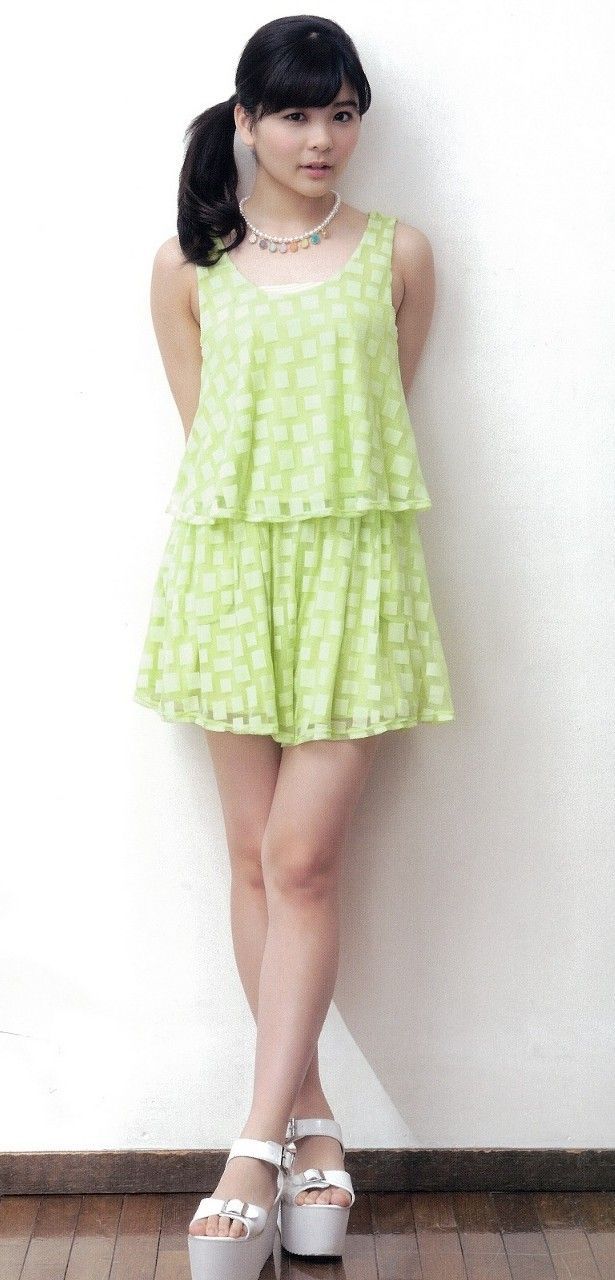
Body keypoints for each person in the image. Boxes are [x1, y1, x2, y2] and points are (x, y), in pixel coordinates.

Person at [133, 14, 455, 1280]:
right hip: (230, 573)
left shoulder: (399, 255)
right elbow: (209, 435)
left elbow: (379, 414)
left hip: (352, 572)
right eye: (296, 113)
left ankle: (251, 1153)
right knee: (253, 860)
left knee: (302, 857)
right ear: (247, 120)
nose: (322, 137)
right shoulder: (185, 266)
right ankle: (316, 1126)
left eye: (342, 112)